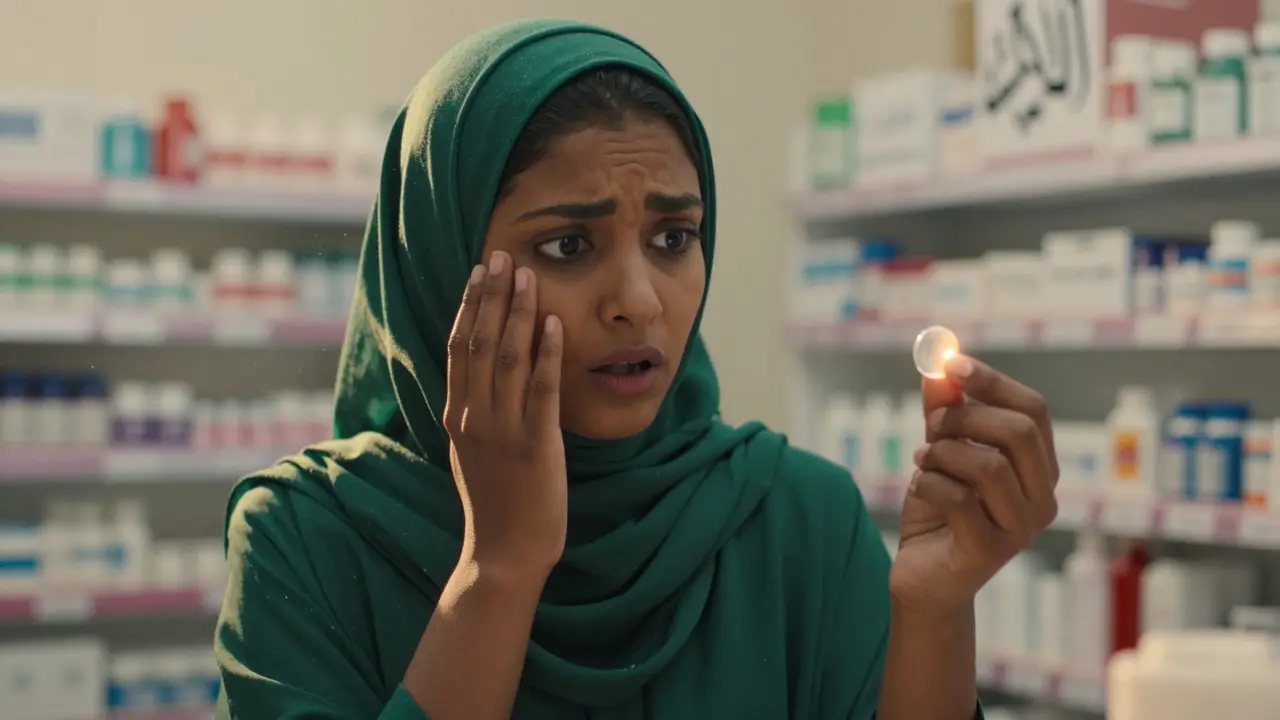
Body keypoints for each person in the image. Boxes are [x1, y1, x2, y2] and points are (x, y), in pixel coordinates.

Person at [213, 18, 1059, 720]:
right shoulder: (304, 539)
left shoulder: (795, 520)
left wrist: (935, 614)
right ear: (438, 263)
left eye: (673, 239)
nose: (640, 303)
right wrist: (497, 568)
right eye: (568, 245)